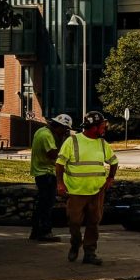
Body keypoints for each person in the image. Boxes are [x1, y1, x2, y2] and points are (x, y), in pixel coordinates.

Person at [55, 111, 119, 266]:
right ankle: (75, 243)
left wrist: (110, 178)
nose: (104, 129)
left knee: (93, 222)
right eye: (102, 126)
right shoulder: (72, 141)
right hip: (76, 191)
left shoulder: (102, 143)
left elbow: (114, 161)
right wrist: (60, 183)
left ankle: (90, 253)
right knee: (74, 222)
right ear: (93, 127)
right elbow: (60, 163)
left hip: (97, 191)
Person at [28, 114, 73, 242]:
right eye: (65, 129)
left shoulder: (41, 131)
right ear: (59, 126)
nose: (65, 132)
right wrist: (63, 141)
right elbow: (54, 154)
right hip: (46, 173)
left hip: (41, 173)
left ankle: (36, 231)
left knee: (42, 204)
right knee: (47, 204)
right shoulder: (47, 135)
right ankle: (45, 232)